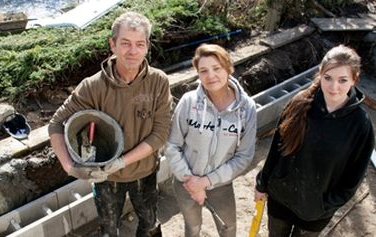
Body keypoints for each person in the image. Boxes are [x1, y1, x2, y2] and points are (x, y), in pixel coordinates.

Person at [48, 11, 172, 237]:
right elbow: (56, 124)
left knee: (150, 223)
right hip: (106, 177)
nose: (132, 51)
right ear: (112, 45)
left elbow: (160, 134)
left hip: (145, 172)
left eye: (139, 44)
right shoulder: (93, 86)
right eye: (125, 43)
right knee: (109, 229)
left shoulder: (158, 82)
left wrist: (123, 161)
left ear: (146, 47)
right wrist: (70, 167)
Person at [254, 45, 375, 237]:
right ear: (320, 74)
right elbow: (277, 149)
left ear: (354, 79)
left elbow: (353, 178)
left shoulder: (361, 126)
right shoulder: (299, 104)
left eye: (343, 80)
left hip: (315, 214)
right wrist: (262, 183)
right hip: (279, 199)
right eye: (328, 78)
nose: (334, 87)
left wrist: (324, 205)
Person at [165, 44, 257, 237]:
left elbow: (244, 156)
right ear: (198, 74)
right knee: (192, 227)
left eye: (217, 68)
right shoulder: (189, 102)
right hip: (185, 182)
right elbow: (172, 145)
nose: (211, 76)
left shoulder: (246, 108)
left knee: (228, 228)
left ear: (228, 68)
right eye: (203, 71)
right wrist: (190, 181)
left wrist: (206, 181)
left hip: (219, 186)